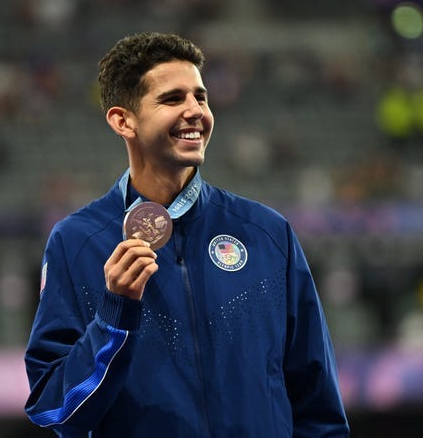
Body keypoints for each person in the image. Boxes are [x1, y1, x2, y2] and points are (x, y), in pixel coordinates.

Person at [24, 32, 350, 437]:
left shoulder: (266, 233)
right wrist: (114, 316)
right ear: (123, 120)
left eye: (201, 97)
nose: (196, 111)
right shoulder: (78, 242)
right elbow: (56, 410)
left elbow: (318, 405)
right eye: (173, 99)